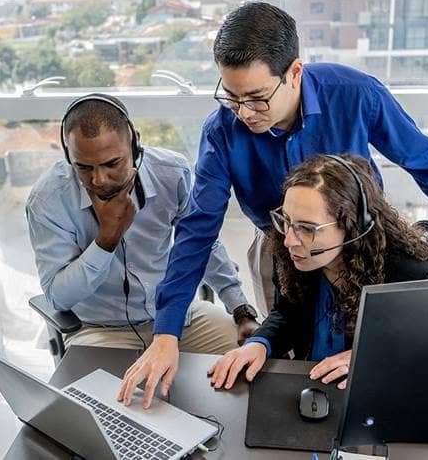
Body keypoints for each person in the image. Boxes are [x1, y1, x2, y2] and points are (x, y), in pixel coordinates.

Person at [117, 2, 428, 409]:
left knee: (377, 357)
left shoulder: (355, 93)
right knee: (300, 348)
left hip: (363, 248)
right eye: (231, 97)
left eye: (256, 98)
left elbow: (427, 161)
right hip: (280, 249)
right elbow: (198, 231)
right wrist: (169, 333)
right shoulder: (223, 130)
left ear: (294, 73)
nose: (244, 113)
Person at [206, 154, 428, 390]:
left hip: (380, 395)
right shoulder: (293, 253)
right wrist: (260, 344)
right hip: (315, 386)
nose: (289, 240)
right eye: (285, 220)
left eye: (307, 228)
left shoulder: (419, 279)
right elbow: (288, 312)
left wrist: (373, 358)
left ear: (353, 226)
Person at [26, 93, 257, 354]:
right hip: (99, 330)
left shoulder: (171, 173)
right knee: (104, 395)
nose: (100, 179)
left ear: (135, 143)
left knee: (252, 359)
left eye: (112, 163)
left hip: (178, 318)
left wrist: (240, 309)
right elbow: (58, 297)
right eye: (84, 167)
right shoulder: (48, 200)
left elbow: (202, 244)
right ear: (69, 156)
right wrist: (107, 240)